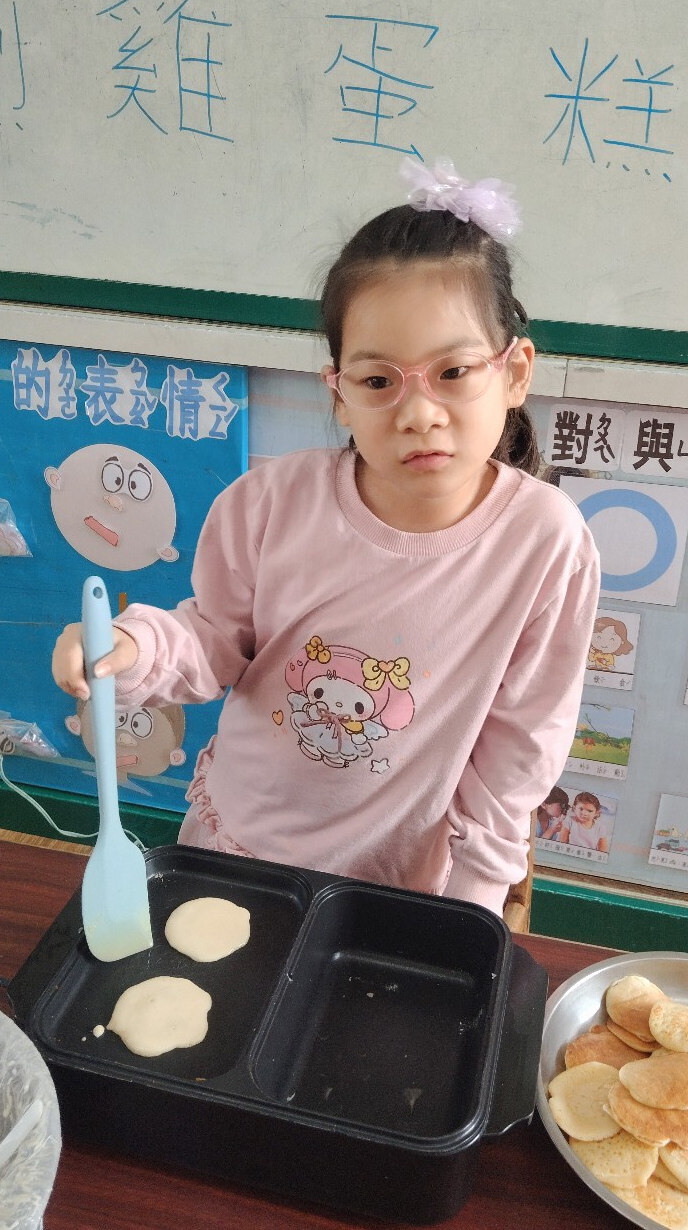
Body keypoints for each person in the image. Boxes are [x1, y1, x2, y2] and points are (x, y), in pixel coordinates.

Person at [52, 158, 600, 915]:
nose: (419, 413)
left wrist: (472, 905)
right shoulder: (269, 504)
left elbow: (521, 747)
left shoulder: (545, 542)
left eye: (454, 372)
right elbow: (212, 640)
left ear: (514, 372)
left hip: (400, 886)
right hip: (238, 848)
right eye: (378, 381)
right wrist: (134, 647)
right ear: (338, 393)